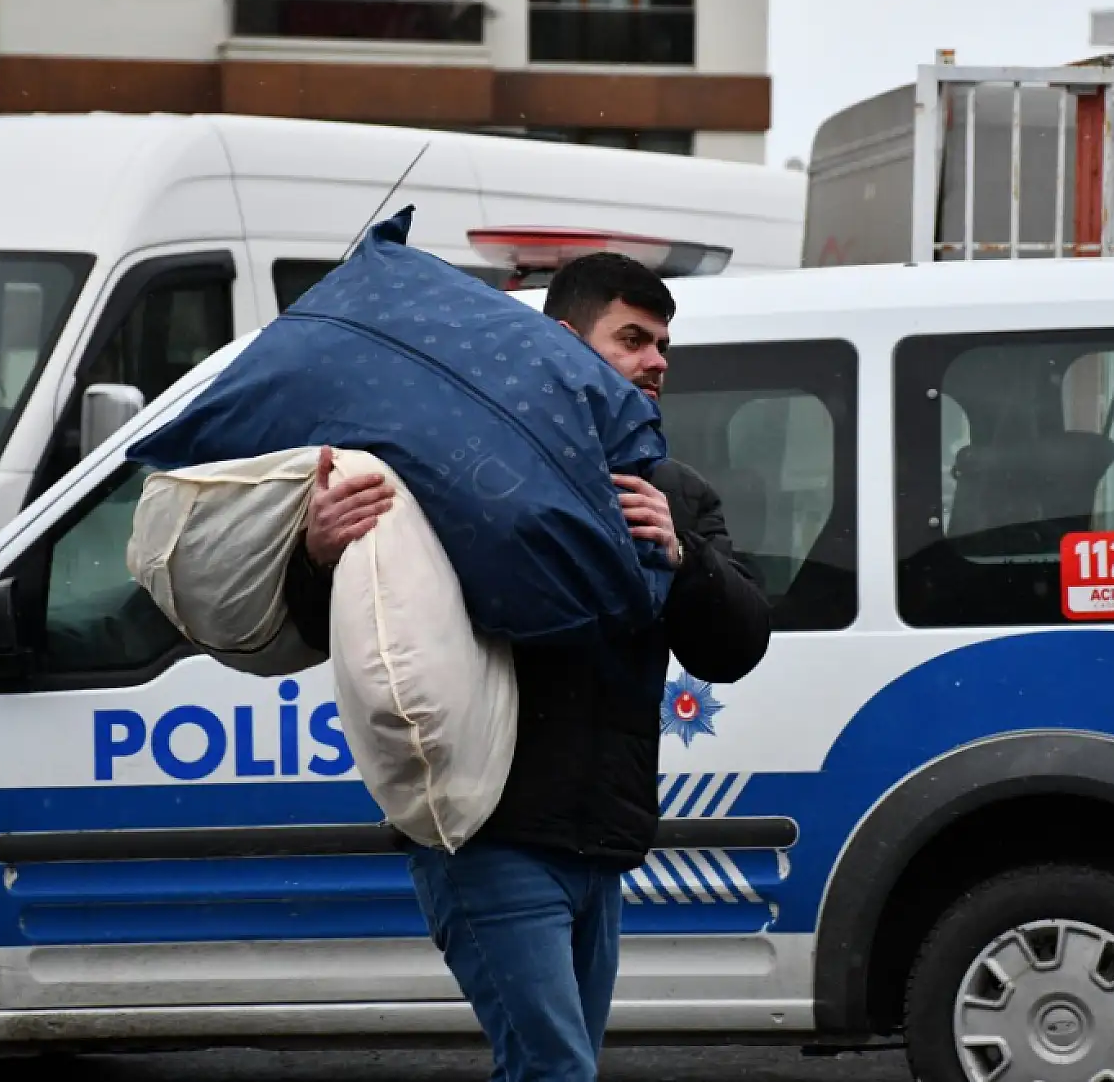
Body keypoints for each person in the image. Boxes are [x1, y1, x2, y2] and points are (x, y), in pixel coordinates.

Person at [280, 252, 772, 1081]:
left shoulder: (672, 492)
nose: (656, 360)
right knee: (555, 1070)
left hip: (602, 843)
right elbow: (325, 623)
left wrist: (684, 555)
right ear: (562, 342)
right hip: (490, 832)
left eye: (663, 345)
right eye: (632, 339)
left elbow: (738, 643)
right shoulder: (454, 463)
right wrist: (319, 553)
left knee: (552, 1069)